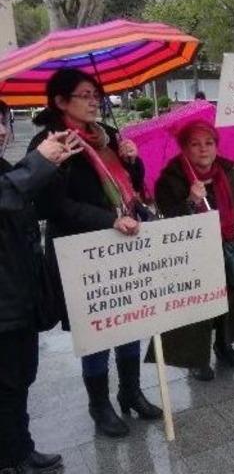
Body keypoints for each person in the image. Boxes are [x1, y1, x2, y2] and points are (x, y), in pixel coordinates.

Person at [33, 68, 162, 438]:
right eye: (85, 94)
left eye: (96, 94)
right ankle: (100, 405)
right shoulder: (49, 144)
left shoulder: (109, 136)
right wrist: (108, 219)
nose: (94, 101)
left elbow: (132, 189)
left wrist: (132, 160)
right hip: (82, 253)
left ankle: (131, 391)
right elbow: (50, 206)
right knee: (98, 331)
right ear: (60, 101)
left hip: (124, 244)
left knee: (130, 321)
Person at [147, 120, 234, 382]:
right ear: (184, 149)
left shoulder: (230, 174)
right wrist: (191, 201)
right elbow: (170, 220)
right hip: (191, 252)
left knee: (228, 301)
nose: (203, 149)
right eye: (195, 144)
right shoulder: (170, 180)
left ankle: (224, 346)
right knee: (200, 307)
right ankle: (197, 358)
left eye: (209, 143)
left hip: (226, 247)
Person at [1, 128, 79, 473]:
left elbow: (31, 202)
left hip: (19, 294)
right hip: (5, 299)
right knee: (6, 383)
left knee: (18, 379)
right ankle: (12, 458)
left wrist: (54, 166)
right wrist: (36, 162)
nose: (3, 128)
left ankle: (20, 450)